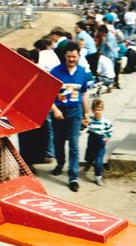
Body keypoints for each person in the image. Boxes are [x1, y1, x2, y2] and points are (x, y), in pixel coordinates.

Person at [50, 42, 91, 192]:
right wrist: (55, 110)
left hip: (75, 112)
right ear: (65, 56)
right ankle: (60, 163)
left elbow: (85, 93)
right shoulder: (55, 72)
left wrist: (87, 113)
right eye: (69, 56)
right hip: (59, 113)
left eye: (74, 56)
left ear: (79, 56)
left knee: (74, 144)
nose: (72, 59)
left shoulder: (82, 73)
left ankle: (73, 176)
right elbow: (47, 95)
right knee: (58, 142)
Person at [83, 99, 113, 186]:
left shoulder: (106, 122)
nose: (97, 112)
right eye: (95, 110)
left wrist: (107, 137)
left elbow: (110, 130)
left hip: (101, 142)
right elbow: (85, 127)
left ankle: (98, 177)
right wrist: (84, 124)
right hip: (91, 140)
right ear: (92, 110)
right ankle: (88, 164)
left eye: (99, 110)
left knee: (98, 160)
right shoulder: (91, 121)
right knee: (89, 155)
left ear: (102, 110)